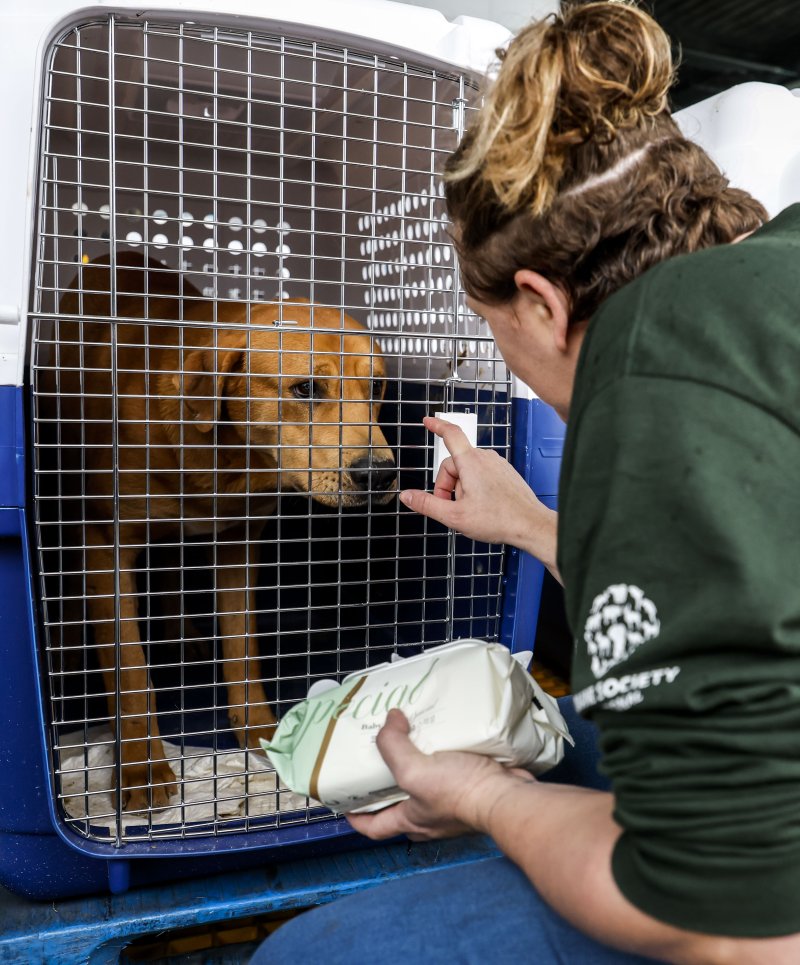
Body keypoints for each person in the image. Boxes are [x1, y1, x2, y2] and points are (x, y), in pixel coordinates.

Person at [251, 2, 800, 962]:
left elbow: (724, 928)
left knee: (304, 954)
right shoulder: (773, 270)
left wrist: (482, 798)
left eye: (496, 334)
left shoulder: (651, 361)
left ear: (541, 303)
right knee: (572, 727)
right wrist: (541, 526)